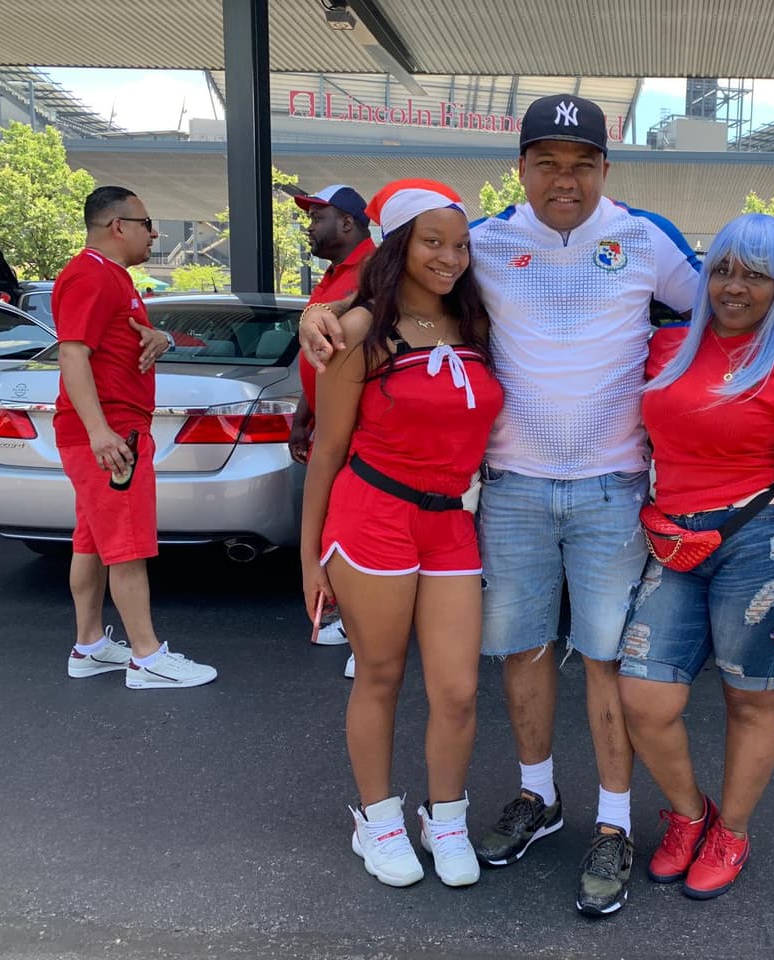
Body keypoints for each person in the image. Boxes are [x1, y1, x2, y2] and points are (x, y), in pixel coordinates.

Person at [298, 93, 774, 917]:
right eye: (548, 163)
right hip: (513, 487)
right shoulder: (482, 242)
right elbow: (404, 278)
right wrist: (324, 310)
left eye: (583, 164)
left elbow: (731, 304)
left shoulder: (645, 238)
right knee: (522, 651)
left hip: (612, 489)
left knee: (605, 660)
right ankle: (538, 796)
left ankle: (615, 824)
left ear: (605, 168)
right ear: (520, 167)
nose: (566, 179)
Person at [619, 213, 774, 901]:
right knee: (644, 698)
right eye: (722, 269)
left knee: (750, 703)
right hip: (674, 540)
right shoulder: (664, 347)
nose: (734, 287)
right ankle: (690, 815)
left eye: (755, 275)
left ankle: (732, 832)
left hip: (759, 544)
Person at [299, 179, 503, 890]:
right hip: (373, 517)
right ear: (398, 247)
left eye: (461, 245)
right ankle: (378, 819)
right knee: (379, 674)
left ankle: (445, 819)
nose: (450, 257)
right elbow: (328, 451)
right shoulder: (359, 333)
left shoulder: (478, 325)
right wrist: (309, 557)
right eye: (432, 242)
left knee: (459, 690)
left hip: (450, 522)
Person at [57, 186, 217, 689]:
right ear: (117, 226)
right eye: (147, 223)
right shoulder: (89, 275)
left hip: (111, 430)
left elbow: (117, 341)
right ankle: (147, 657)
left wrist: (161, 338)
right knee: (127, 546)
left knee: (93, 543)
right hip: (113, 434)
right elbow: (72, 353)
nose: (154, 233)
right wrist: (100, 431)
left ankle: (89, 646)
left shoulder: (112, 276)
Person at [289, 185, 378, 662]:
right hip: (329, 426)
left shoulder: (375, 273)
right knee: (334, 523)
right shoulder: (332, 276)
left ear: (347, 222)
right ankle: (349, 619)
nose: (309, 226)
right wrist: (303, 415)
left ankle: (366, 638)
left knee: (357, 527)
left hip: (361, 433)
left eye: (316, 217)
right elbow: (320, 357)